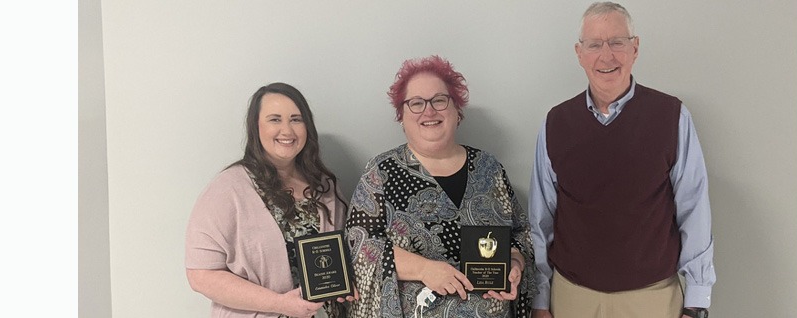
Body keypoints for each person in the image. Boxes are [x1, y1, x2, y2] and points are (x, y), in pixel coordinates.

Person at [529, 2, 716, 318]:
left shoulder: (672, 117)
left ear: (635, 47)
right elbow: (540, 220)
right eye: (594, 45)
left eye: (617, 42)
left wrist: (696, 302)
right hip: (573, 298)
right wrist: (540, 300)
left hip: (653, 298)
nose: (606, 56)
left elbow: (694, 209)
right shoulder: (556, 123)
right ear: (579, 53)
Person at [345, 55, 537, 318]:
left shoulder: (489, 168)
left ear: (457, 111)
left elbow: (520, 232)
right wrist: (424, 269)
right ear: (401, 115)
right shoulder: (380, 173)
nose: (429, 111)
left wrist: (515, 263)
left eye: (439, 100)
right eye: (416, 103)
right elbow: (360, 248)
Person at [185, 82, 354, 318]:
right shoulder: (227, 190)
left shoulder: (325, 186)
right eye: (275, 119)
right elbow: (201, 275)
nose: (287, 130)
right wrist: (280, 304)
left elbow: (345, 252)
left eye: (296, 119)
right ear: (256, 127)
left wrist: (346, 282)